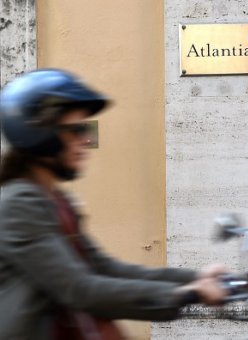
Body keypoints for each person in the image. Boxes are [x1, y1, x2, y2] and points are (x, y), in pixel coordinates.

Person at [0, 69, 227, 339]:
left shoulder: (55, 200)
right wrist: (187, 294)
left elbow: (104, 268)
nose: (85, 140)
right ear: (40, 136)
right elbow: (80, 289)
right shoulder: (19, 205)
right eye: (75, 130)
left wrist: (197, 278)